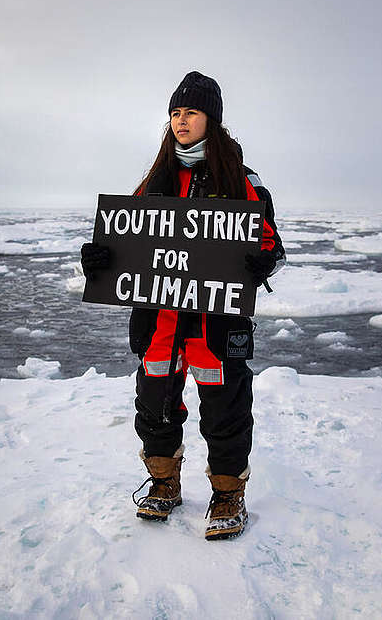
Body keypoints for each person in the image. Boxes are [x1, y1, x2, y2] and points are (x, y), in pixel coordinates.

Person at [81, 70, 285, 540]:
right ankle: (164, 482)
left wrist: (263, 260)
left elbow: (271, 243)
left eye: (190, 111)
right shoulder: (154, 179)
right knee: (155, 402)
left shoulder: (241, 179)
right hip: (160, 322)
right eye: (175, 112)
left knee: (226, 406)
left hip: (215, 323)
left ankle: (228, 493)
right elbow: (123, 238)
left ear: (210, 119)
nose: (181, 120)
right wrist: (98, 258)